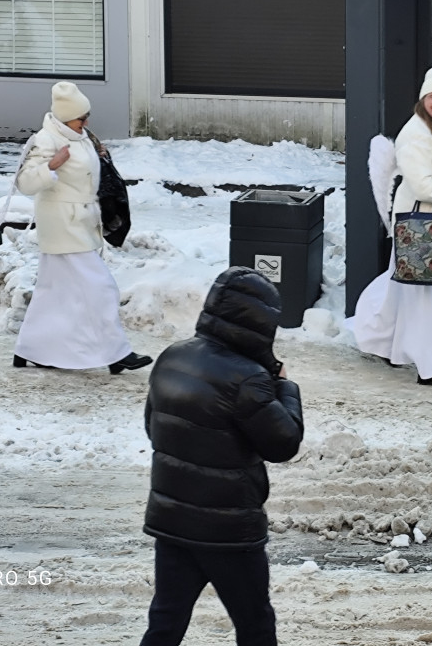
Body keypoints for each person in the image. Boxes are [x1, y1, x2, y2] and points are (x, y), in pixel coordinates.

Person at [139, 266, 304, 646]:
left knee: (166, 622)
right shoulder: (249, 379)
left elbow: (154, 429)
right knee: (255, 625)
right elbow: (284, 444)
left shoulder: (172, 356)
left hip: (172, 521)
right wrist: (285, 387)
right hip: (228, 531)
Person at [346, 65, 432, 388]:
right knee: (428, 298)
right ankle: (430, 367)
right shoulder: (415, 133)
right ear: (423, 99)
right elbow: (421, 186)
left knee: (402, 286)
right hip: (424, 224)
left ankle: (378, 339)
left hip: (428, 224)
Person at [12, 81, 151, 374]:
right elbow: (24, 183)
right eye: (81, 117)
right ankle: (116, 354)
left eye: (87, 115)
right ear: (65, 117)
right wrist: (51, 166)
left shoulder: (82, 136)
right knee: (102, 288)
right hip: (63, 226)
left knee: (53, 293)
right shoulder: (46, 140)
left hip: (81, 223)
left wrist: (99, 159)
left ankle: (30, 348)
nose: (86, 121)